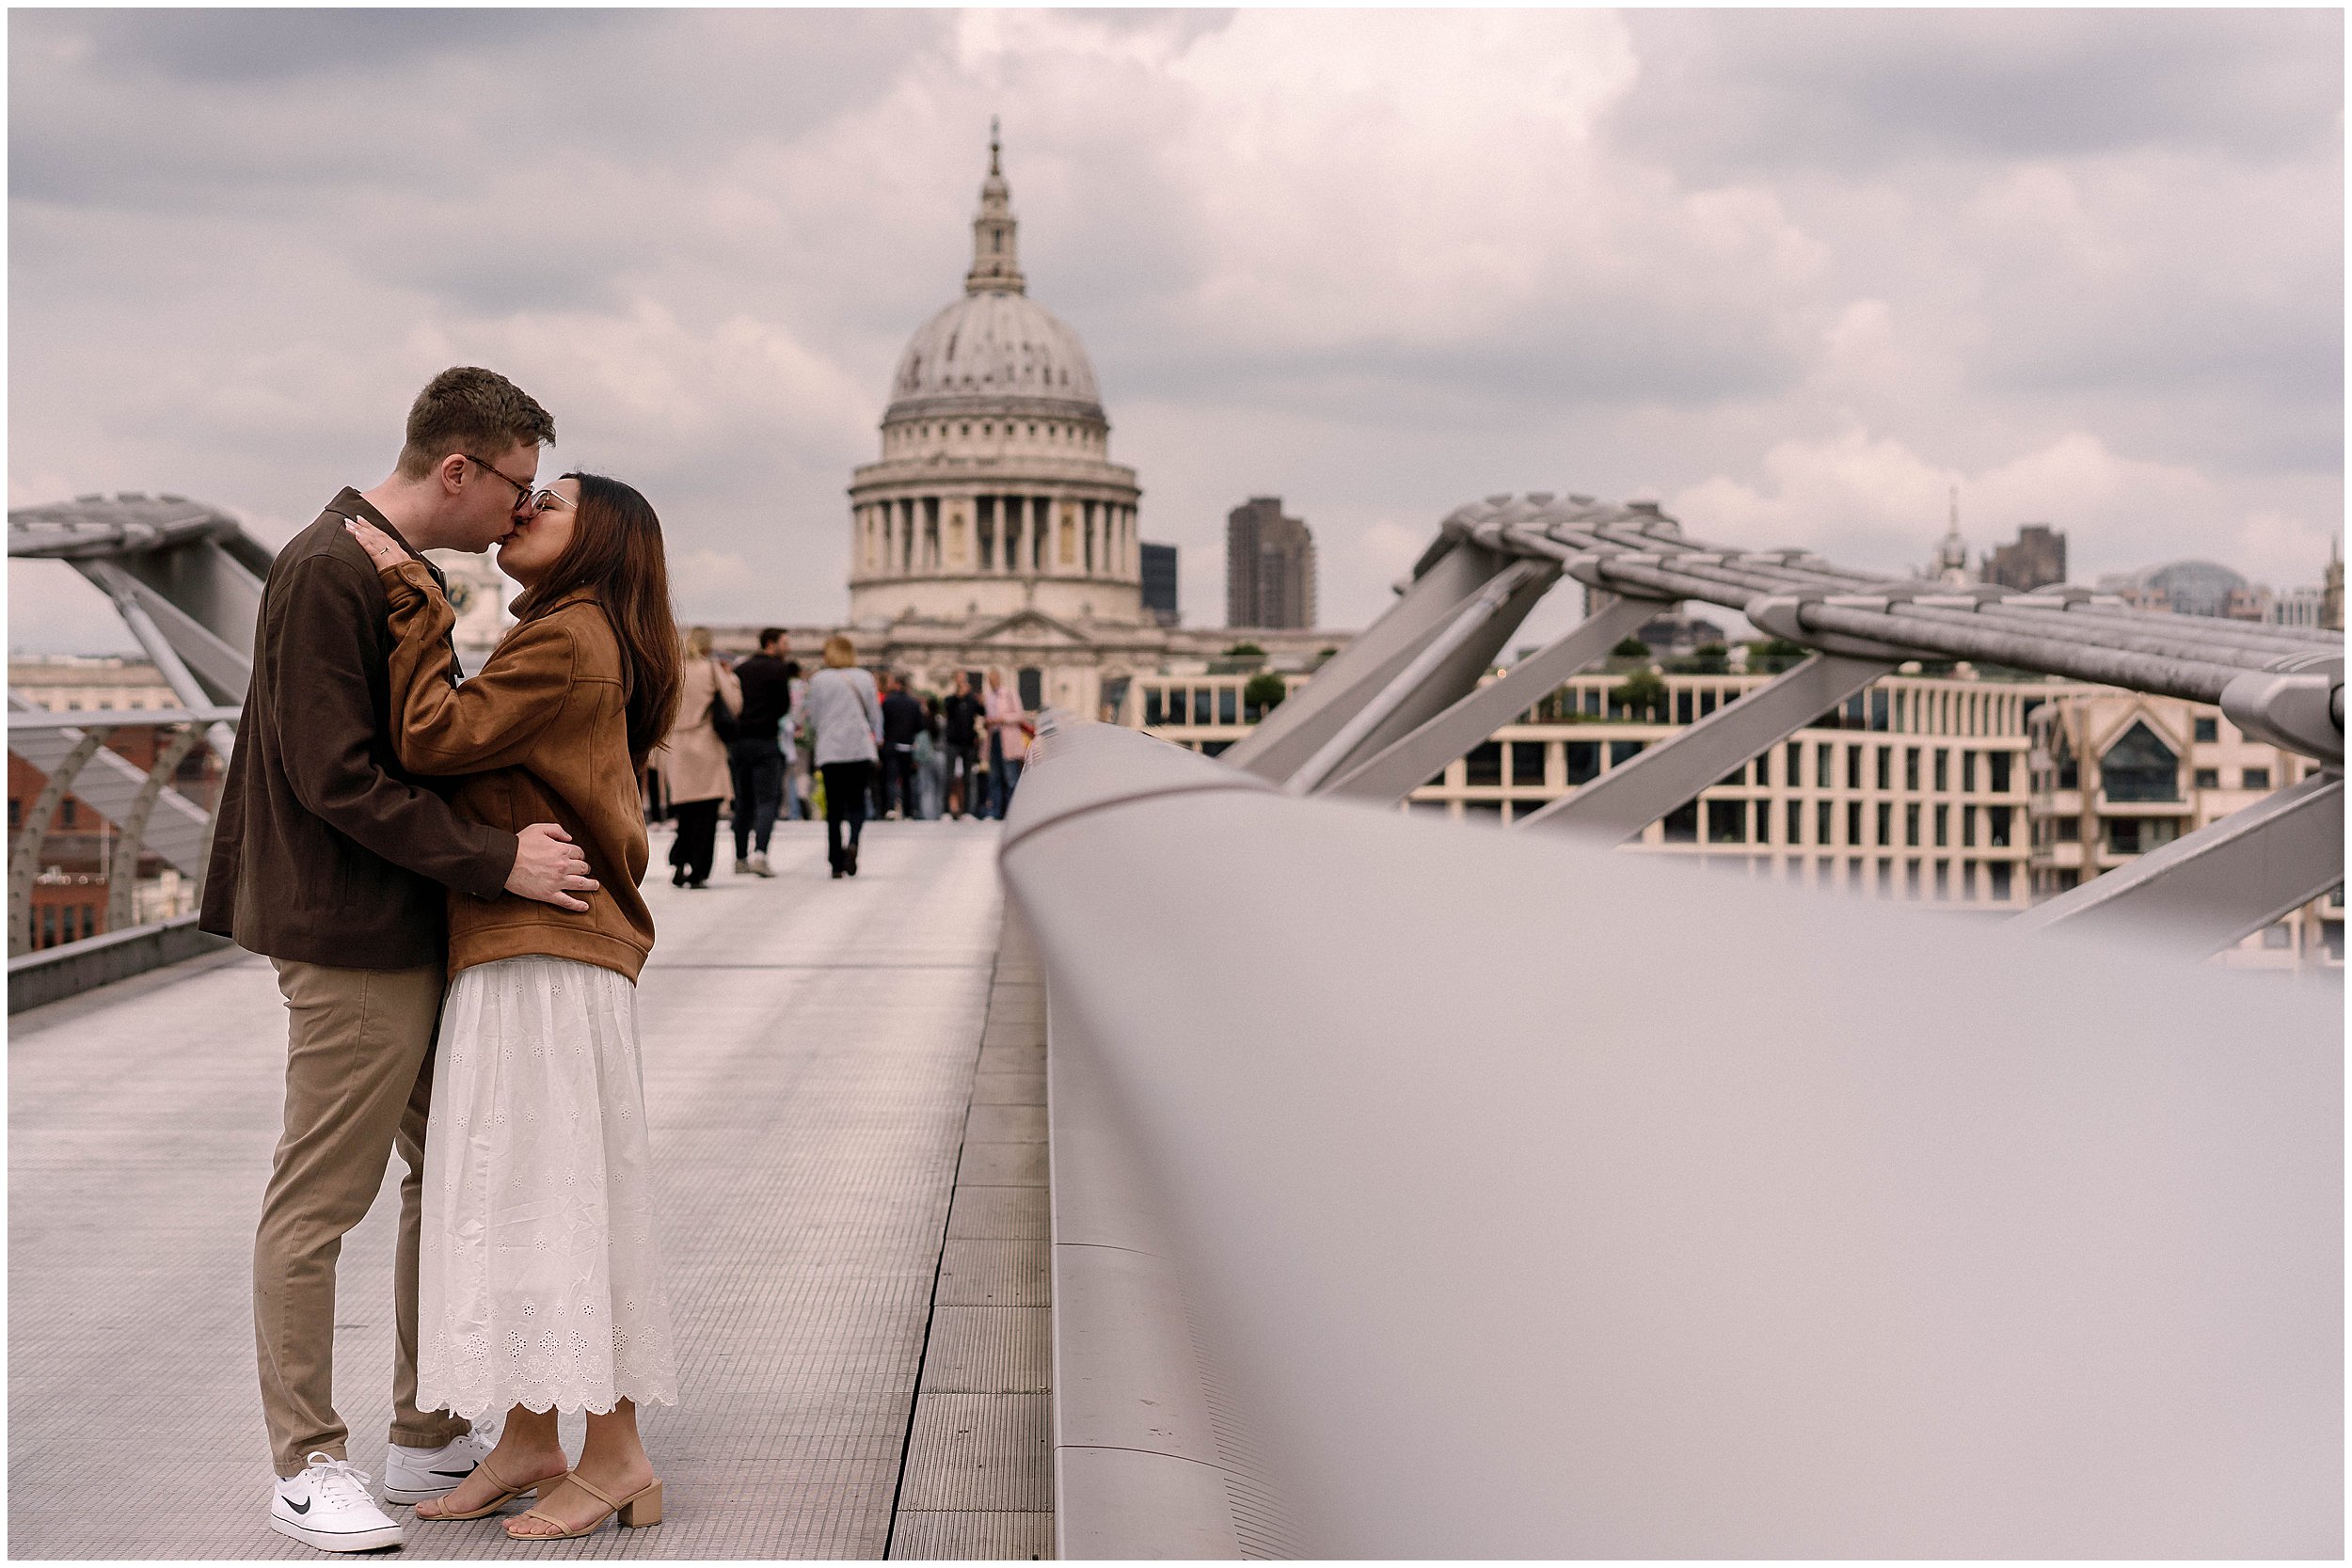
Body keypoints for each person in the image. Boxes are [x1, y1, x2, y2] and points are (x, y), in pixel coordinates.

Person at [199, 367, 597, 1555]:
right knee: (321, 1194)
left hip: (397, 917)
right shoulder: (332, 566)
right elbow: (336, 775)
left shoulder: (385, 565)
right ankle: (306, 1461)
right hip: (350, 927)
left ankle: (425, 1426)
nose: (520, 514)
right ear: (457, 469)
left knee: (451, 1173)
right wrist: (495, 860)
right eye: (516, 488)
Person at [343, 471, 680, 1542]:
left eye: (557, 502)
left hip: (543, 949)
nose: (527, 507)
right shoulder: (575, 632)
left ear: (602, 545)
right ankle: (534, 1437)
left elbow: (432, 738)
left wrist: (416, 598)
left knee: (551, 1192)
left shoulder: (568, 636)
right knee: (535, 1187)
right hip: (533, 944)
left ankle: (616, 1454)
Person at [660, 626, 738, 888]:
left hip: (677, 746)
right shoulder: (711, 668)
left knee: (685, 812)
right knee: (706, 814)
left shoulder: (673, 670)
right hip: (705, 744)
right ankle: (699, 870)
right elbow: (735, 704)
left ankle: (680, 858)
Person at [805, 635, 882, 878]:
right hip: (858, 748)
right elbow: (875, 715)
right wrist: (876, 738)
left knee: (834, 807)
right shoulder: (865, 678)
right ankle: (854, 843)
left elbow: (813, 717)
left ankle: (835, 862)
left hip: (831, 750)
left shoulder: (819, 680)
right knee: (857, 803)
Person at [728, 628, 792, 876]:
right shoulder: (778, 670)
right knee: (767, 800)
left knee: (743, 801)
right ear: (771, 644)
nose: (788, 647)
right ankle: (761, 854)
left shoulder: (741, 669)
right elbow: (783, 706)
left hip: (741, 741)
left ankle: (740, 857)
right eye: (785, 642)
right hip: (765, 740)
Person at [983, 668, 1034, 818]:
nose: (991, 682)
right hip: (994, 737)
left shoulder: (1009, 694)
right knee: (994, 777)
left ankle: (1012, 812)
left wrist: (1001, 719)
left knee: (1011, 777)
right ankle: (995, 811)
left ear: (999, 679)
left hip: (1008, 739)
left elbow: (1019, 715)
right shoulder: (989, 697)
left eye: (993, 679)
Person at [879, 673, 924, 821]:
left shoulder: (888, 702)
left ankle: (891, 807)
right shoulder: (914, 703)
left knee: (891, 779)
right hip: (908, 745)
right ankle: (909, 810)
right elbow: (920, 726)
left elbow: (882, 724)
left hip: (891, 745)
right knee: (907, 780)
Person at [942, 673, 980, 820]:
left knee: (968, 778)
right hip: (953, 742)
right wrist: (958, 696)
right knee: (949, 777)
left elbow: (981, 711)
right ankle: (946, 811)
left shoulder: (971, 700)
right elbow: (947, 707)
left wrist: (972, 696)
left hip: (968, 743)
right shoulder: (951, 700)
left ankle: (968, 811)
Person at [914, 695, 947, 821]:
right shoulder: (942, 721)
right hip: (940, 755)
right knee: (939, 787)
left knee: (927, 787)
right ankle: (938, 813)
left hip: (926, 756)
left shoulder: (924, 722)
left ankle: (927, 814)